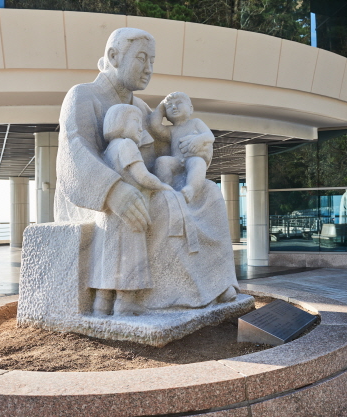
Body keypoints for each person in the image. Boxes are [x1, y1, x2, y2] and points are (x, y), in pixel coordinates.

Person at [55, 28, 238, 316]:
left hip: (140, 185)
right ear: (114, 56)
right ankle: (180, 295)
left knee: (210, 194)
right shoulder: (82, 96)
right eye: (141, 58)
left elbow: (159, 155)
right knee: (165, 204)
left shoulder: (140, 106)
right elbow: (74, 153)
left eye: (152, 60)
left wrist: (191, 150)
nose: (149, 69)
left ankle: (217, 283)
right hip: (96, 200)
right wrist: (114, 191)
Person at [92, 104, 172, 315]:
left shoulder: (108, 150)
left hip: (109, 217)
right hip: (129, 215)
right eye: (136, 122)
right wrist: (163, 186)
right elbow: (142, 176)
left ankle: (101, 305)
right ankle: (124, 304)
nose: (140, 128)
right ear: (120, 124)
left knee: (108, 260)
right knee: (129, 259)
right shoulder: (127, 145)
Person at [148, 92, 215, 203]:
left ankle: (191, 188)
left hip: (192, 158)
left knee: (198, 163)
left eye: (178, 103)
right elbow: (155, 126)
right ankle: (166, 189)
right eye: (169, 106)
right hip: (177, 160)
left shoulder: (196, 123)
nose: (174, 107)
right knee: (162, 161)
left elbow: (209, 136)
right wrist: (161, 107)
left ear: (190, 109)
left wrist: (198, 140)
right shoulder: (171, 130)